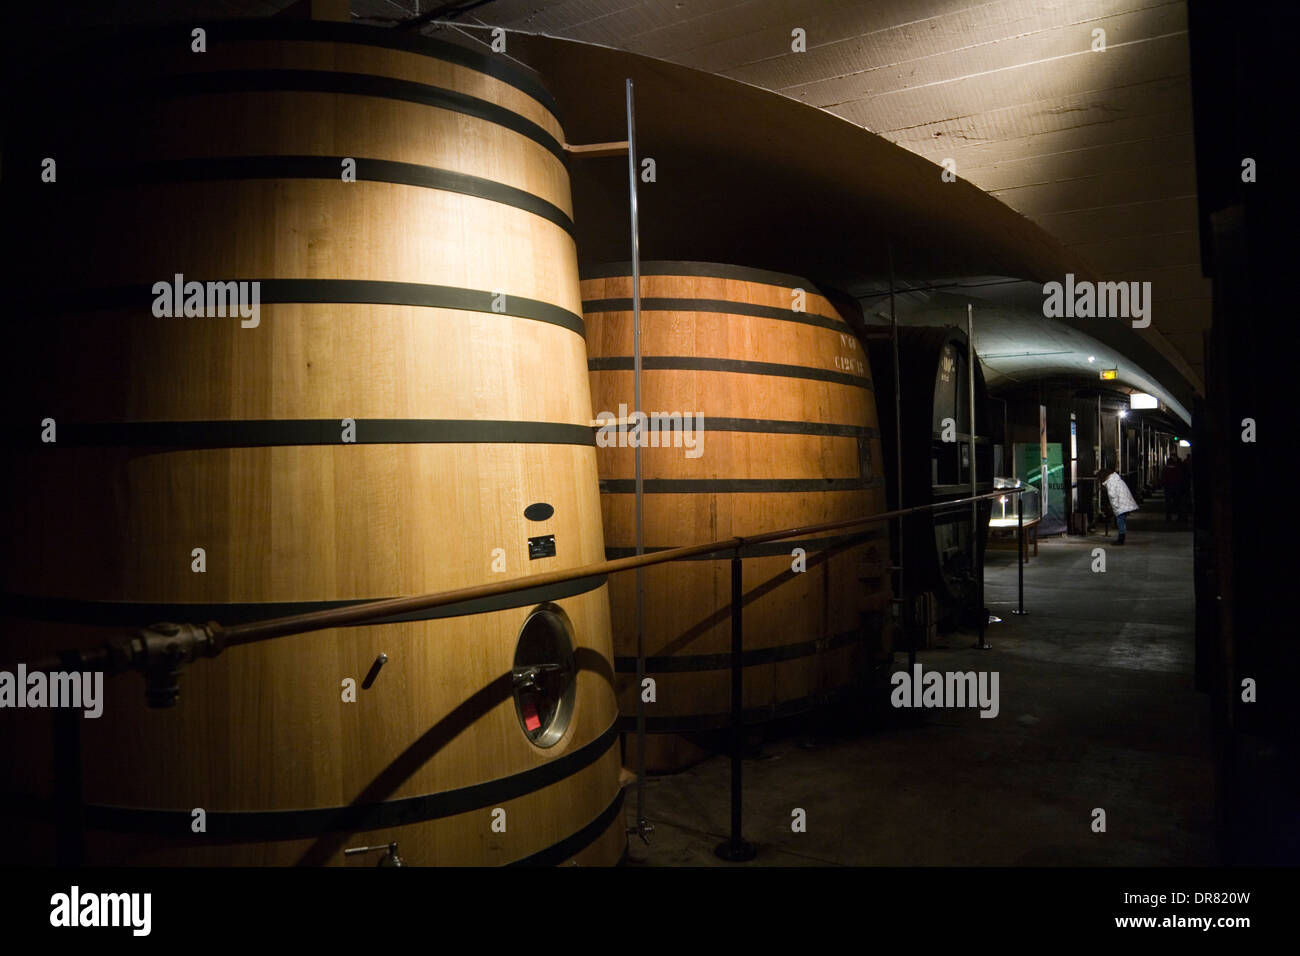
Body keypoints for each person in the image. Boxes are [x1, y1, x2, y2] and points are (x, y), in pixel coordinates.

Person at [1099, 467, 1138, 544]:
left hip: (1121, 503)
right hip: (1124, 501)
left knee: (1120, 521)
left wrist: (1112, 506)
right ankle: (1121, 537)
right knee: (1121, 521)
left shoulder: (1110, 482)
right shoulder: (1115, 479)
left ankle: (1121, 539)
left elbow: (1112, 495)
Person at [1162, 454, 1184, 521]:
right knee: (1178, 502)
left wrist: (1164, 484)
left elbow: (1163, 478)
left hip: (1168, 487)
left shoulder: (1165, 468)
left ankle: (1168, 516)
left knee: (1168, 503)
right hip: (1176, 486)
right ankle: (1180, 516)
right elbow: (1180, 477)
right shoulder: (1177, 468)